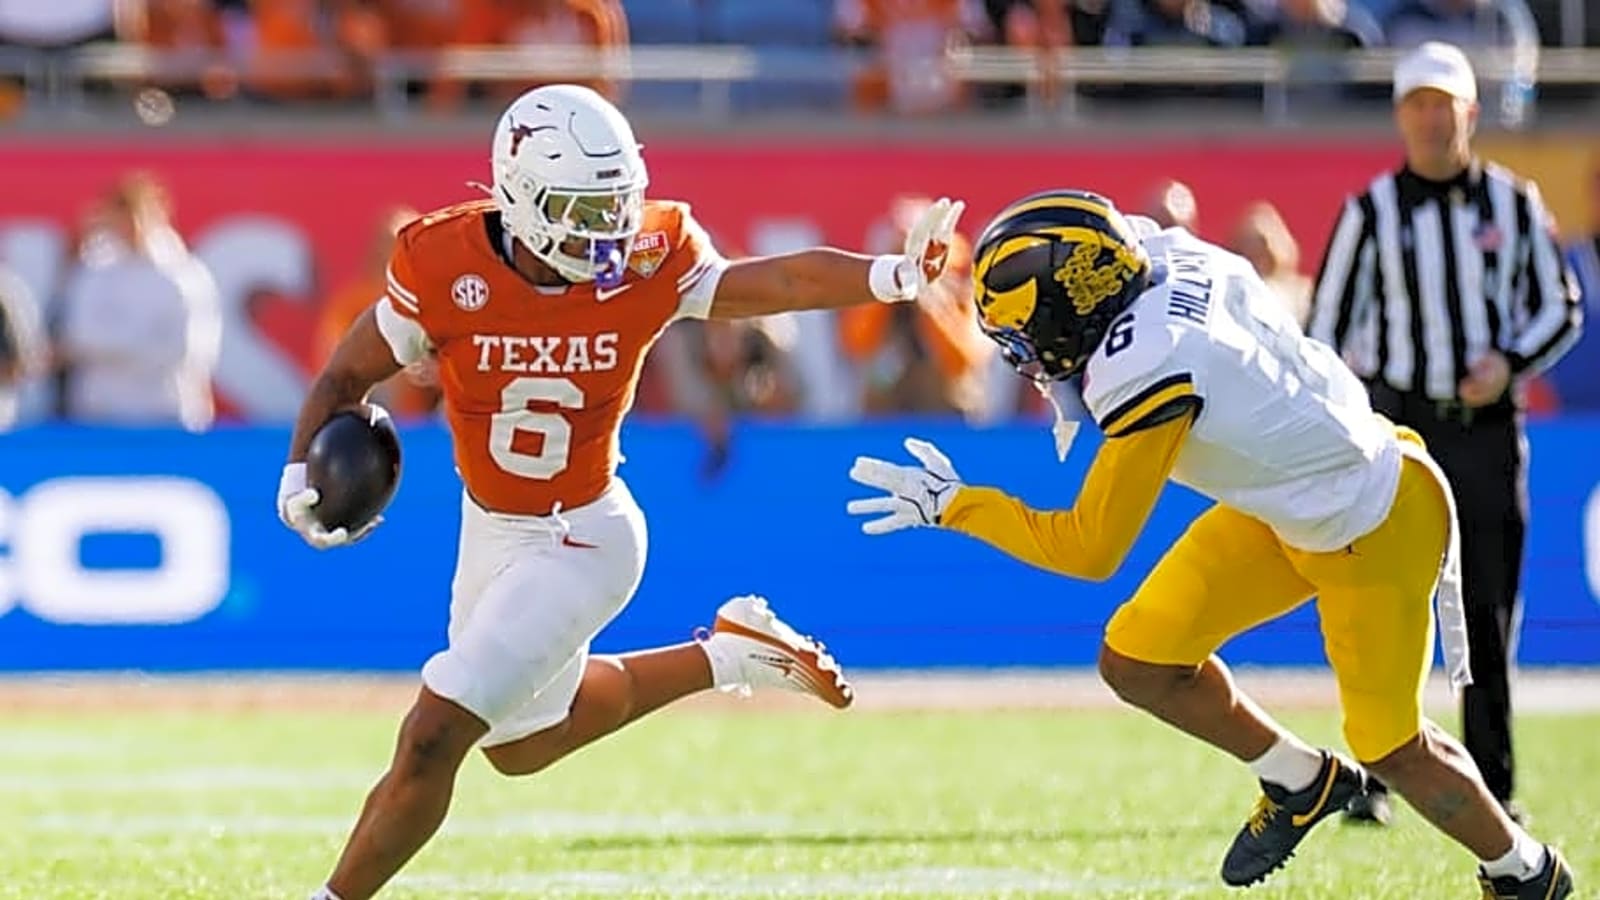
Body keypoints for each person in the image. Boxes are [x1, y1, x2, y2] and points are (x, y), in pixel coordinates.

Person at [277, 83, 963, 900]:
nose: (607, 229)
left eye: (616, 204)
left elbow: (775, 284)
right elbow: (346, 375)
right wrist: (298, 469)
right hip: (491, 528)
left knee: (435, 732)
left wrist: (892, 274)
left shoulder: (650, 256)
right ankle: (730, 654)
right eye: (583, 209)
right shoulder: (440, 260)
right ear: (520, 196)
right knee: (520, 747)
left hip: (583, 537)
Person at [845, 188, 1574, 898]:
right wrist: (934, 280)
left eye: (1028, 334)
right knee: (1138, 659)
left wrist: (959, 506)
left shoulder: (1148, 363)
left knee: (1391, 746)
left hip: (1372, 522)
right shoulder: (1160, 254)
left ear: (1075, 310)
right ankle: (1298, 779)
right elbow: (1100, 250)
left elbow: (1088, 549)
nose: (1025, 353)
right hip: (1286, 503)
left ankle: (1526, 870)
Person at [1305, 41, 1582, 827]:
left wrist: (1509, 364)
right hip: (1400, 429)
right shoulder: (1369, 212)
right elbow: (1324, 331)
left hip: (1487, 430)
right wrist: (1349, 420)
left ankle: (1492, 782)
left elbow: (1560, 305)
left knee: (1489, 608)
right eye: (1417, 105)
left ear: (1470, 112)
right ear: (1401, 116)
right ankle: (1376, 774)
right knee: (1384, 607)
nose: (1430, 119)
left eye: (1443, 105)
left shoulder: (1515, 203)